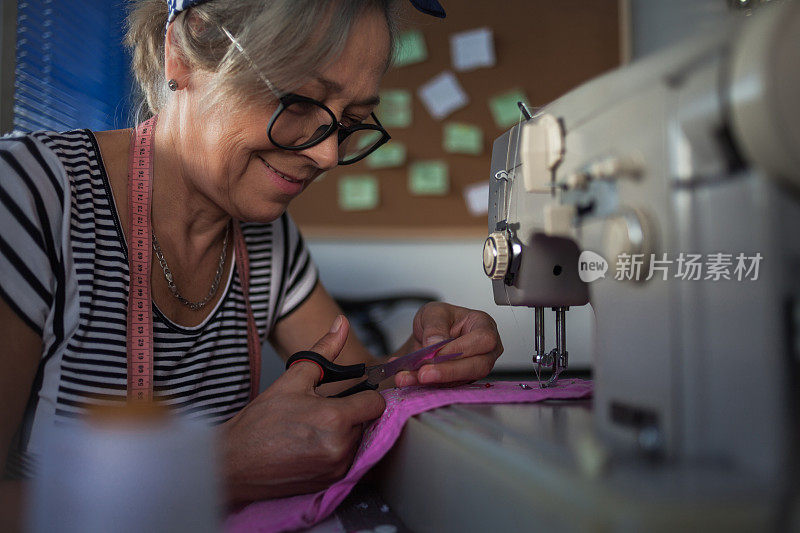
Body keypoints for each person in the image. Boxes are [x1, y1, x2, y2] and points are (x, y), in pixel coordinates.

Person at [0, 0, 503, 516]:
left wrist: (419, 361)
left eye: (352, 121)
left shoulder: (267, 240)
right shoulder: (28, 198)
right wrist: (217, 468)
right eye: (301, 100)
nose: (327, 155)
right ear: (183, 55)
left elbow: (356, 391)